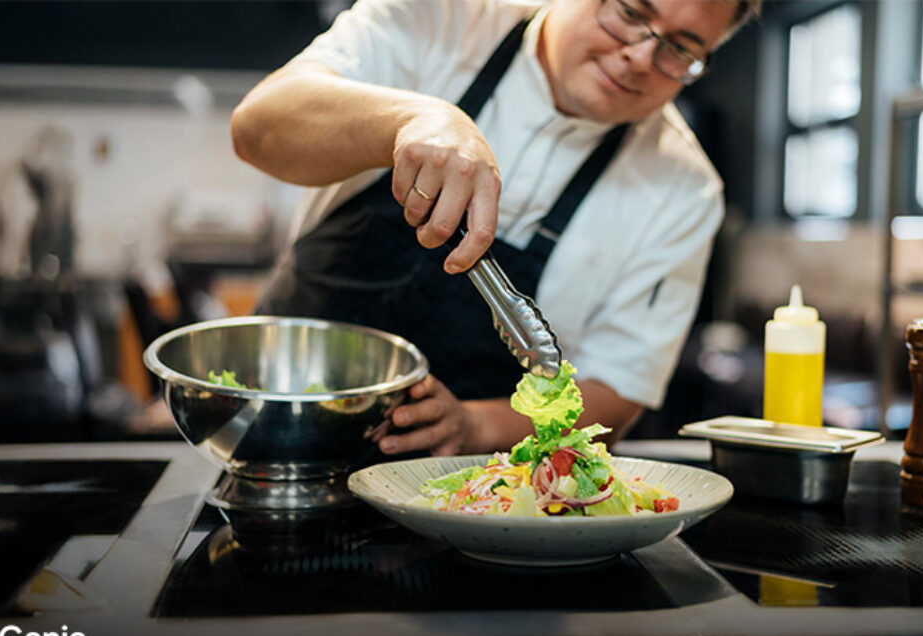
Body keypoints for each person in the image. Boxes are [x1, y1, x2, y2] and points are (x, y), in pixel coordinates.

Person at [231, 0, 759, 457]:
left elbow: (616, 392)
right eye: (628, 13)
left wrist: (473, 424)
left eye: (681, 50)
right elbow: (256, 127)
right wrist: (409, 121)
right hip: (267, 432)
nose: (641, 57)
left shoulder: (684, 190)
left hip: (467, 504)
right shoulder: (440, 19)